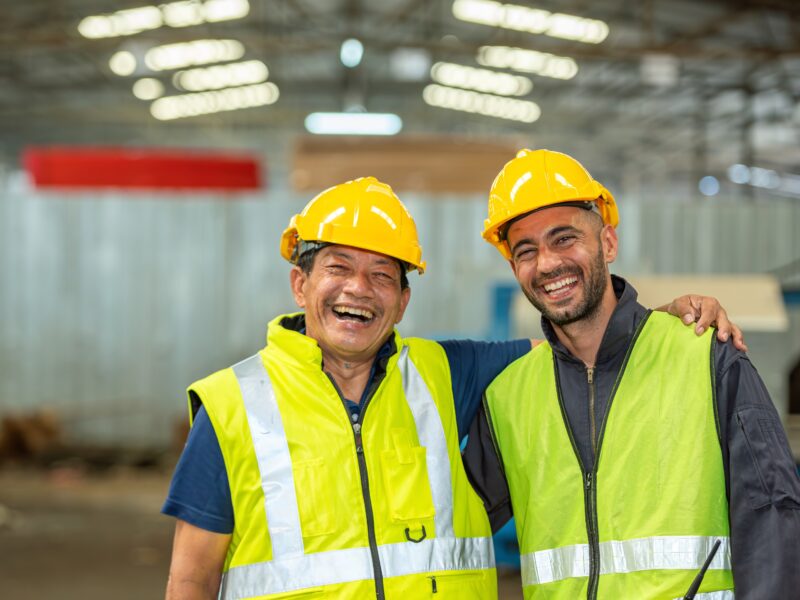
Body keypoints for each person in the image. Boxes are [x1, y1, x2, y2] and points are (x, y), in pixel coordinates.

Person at [162, 176, 743, 600]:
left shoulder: (447, 373)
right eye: (338, 268)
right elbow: (192, 577)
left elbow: (582, 343)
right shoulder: (233, 403)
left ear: (402, 301)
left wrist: (666, 321)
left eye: (382, 275)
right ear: (300, 283)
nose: (358, 290)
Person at [466, 149, 800, 599]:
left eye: (564, 239)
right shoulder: (507, 396)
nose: (546, 263)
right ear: (514, 269)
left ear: (608, 243)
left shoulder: (705, 356)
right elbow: (448, 535)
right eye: (527, 250)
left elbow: (773, 516)